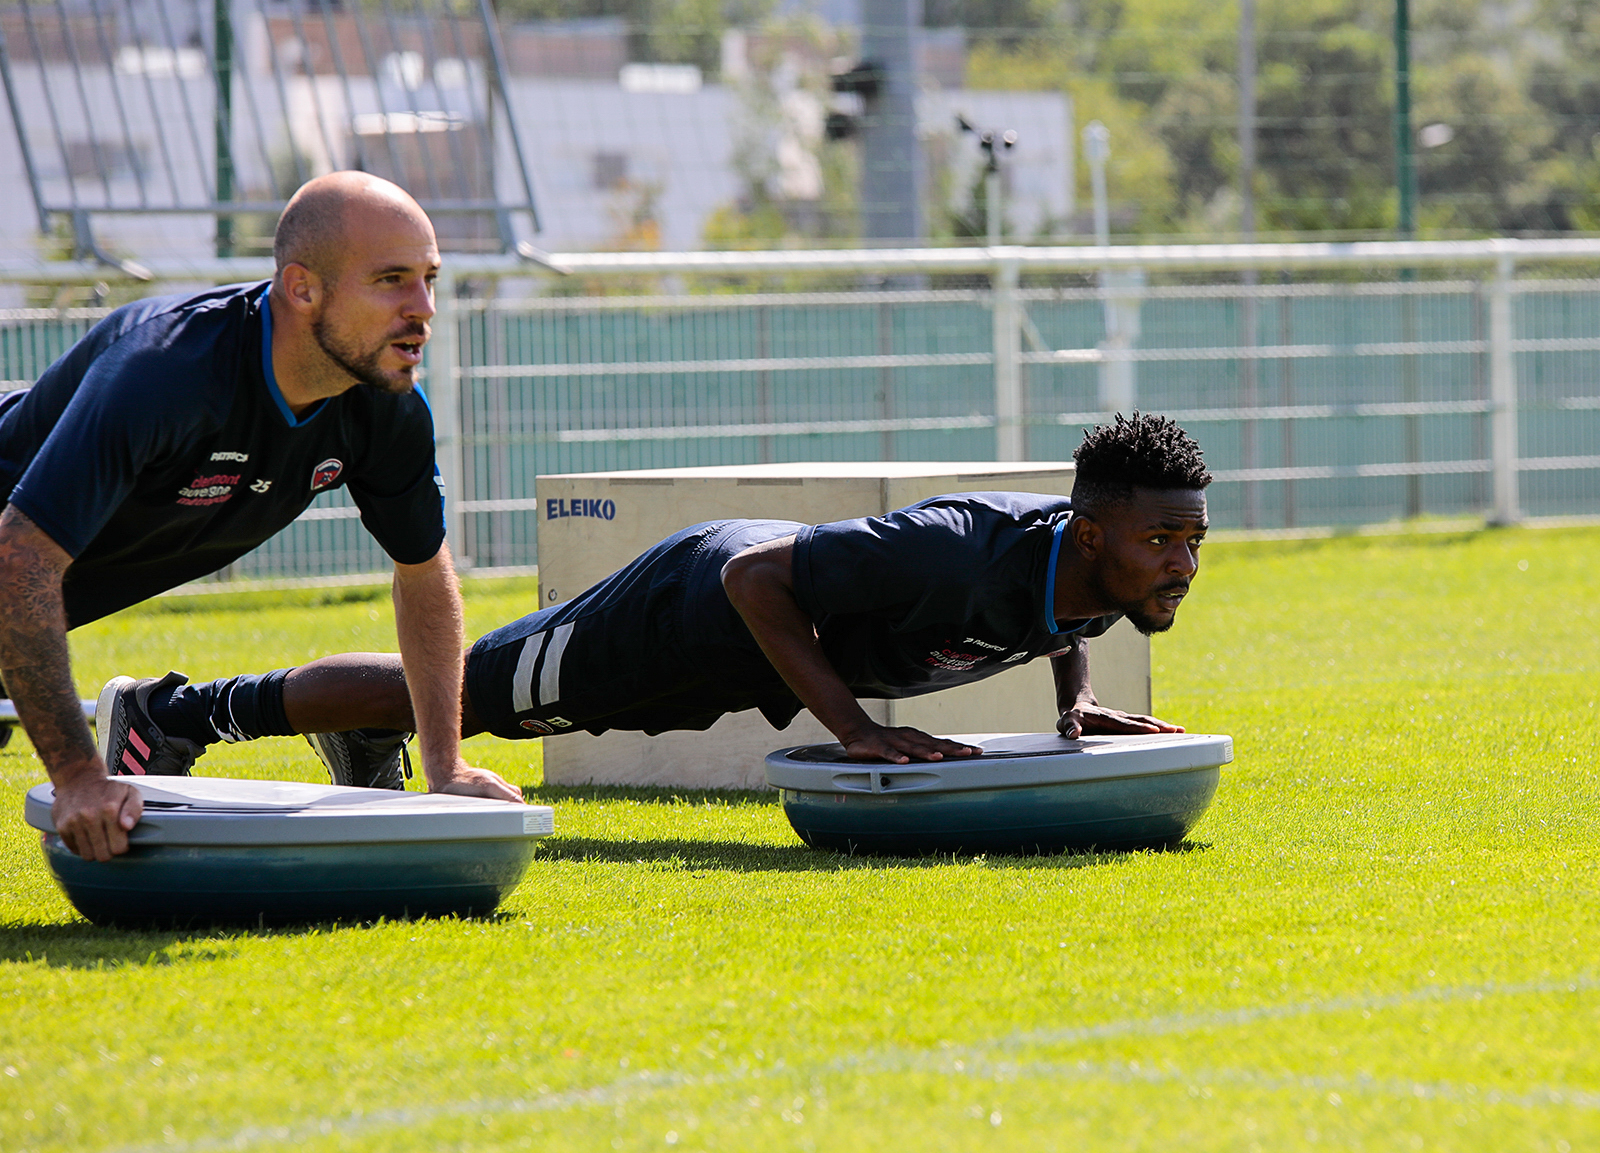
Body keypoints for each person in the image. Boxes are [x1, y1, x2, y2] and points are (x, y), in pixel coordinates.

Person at [101, 413, 1211, 774]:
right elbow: (753, 577)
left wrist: (1071, 708)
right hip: (696, 603)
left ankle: (359, 740)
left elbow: (1072, 611)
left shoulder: (1112, 571)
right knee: (473, 698)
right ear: (1096, 527)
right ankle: (179, 711)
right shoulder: (954, 551)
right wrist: (855, 729)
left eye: (1191, 543)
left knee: (460, 702)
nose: (1179, 566)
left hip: (740, 655)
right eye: (1162, 541)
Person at [0, 171, 521, 864]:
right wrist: (77, 778)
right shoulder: (166, 371)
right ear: (303, 288)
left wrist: (445, 768)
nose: (423, 306)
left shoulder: (385, 408)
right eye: (392, 279)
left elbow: (423, 575)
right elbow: (20, 557)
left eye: (429, 277)